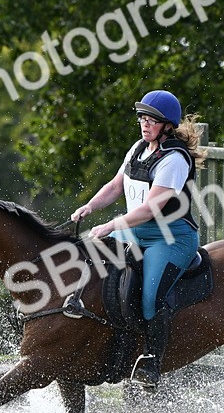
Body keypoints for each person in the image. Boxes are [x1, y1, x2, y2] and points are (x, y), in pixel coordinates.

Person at [71, 90, 205, 389]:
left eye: (152, 120)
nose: (145, 125)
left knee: (149, 298)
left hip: (170, 239)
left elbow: (150, 208)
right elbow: (115, 185)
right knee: (90, 259)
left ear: (167, 125)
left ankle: (152, 362)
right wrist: (90, 207)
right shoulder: (138, 148)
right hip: (135, 232)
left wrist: (109, 225)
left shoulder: (174, 159)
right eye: (142, 119)